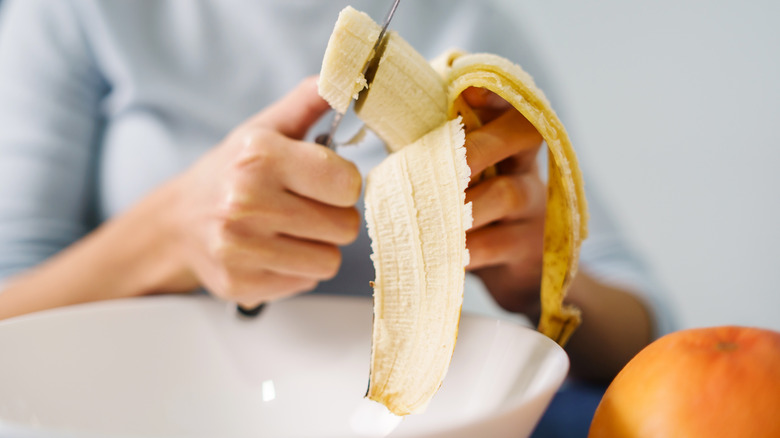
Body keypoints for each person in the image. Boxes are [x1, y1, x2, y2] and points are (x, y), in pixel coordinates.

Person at [0, 0, 674, 435]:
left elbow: (646, 337)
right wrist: (170, 235)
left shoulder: (466, 23)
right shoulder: (77, 12)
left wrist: (540, 274)